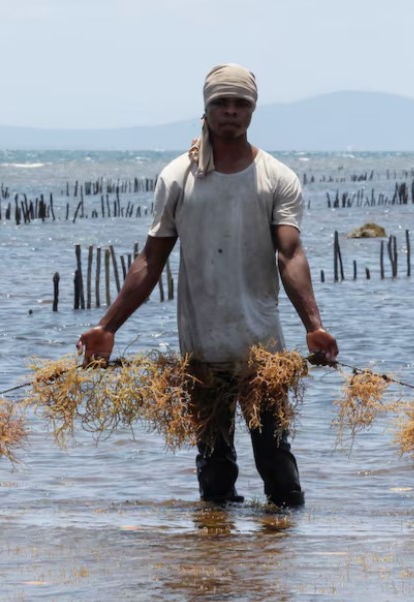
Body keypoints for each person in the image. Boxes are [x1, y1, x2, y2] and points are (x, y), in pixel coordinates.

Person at [76, 63, 338, 509]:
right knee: (214, 472)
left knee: (277, 465)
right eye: (222, 103)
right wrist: (107, 327)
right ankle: (213, 561)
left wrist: (314, 325)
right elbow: (150, 260)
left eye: (241, 104)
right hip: (200, 351)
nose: (231, 112)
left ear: (253, 110)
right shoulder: (178, 176)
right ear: (207, 107)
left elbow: (290, 254)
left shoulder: (277, 177)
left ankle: (280, 561)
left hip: (262, 352)